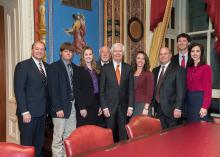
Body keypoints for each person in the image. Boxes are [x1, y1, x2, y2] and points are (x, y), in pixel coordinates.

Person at [14, 41, 48, 157]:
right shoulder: (23, 66)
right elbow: (19, 90)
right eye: (37, 49)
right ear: (32, 50)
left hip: (42, 113)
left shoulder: (46, 66)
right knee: (27, 146)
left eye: (42, 49)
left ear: (44, 52)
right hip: (28, 114)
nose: (39, 51)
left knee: (39, 144)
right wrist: (24, 111)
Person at [47, 42, 78, 157]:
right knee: (58, 137)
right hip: (60, 108)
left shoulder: (74, 67)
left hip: (72, 106)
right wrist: (58, 108)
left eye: (70, 51)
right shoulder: (54, 67)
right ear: (61, 53)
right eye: (66, 51)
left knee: (69, 137)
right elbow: (52, 89)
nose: (68, 53)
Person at [100, 43, 134, 142]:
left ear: (123, 53)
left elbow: (131, 89)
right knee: (110, 135)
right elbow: (102, 91)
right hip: (109, 108)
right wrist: (104, 107)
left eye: (120, 51)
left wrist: (130, 106)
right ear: (112, 53)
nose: (117, 53)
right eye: (115, 51)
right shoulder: (105, 68)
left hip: (124, 108)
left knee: (124, 135)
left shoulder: (128, 68)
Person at [151, 47, 185, 129]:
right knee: (160, 135)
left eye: (165, 54)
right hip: (158, 109)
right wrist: (152, 105)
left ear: (170, 56)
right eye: (161, 54)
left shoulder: (178, 69)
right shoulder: (155, 70)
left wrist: (178, 108)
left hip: (172, 110)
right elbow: (154, 89)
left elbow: (181, 90)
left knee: (173, 136)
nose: (162, 56)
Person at [186, 43, 212, 122]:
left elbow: (208, 90)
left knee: (200, 128)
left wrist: (205, 107)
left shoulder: (206, 68)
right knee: (190, 127)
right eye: (192, 51)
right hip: (189, 100)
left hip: (200, 100)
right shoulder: (189, 68)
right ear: (190, 53)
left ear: (201, 53)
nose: (195, 53)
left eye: (198, 51)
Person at [75, 46, 100, 126]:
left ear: (93, 56)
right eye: (86, 54)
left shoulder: (96, 70)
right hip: (84, 106)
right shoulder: (78, 70)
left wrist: (100, 105)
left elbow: (99, 90)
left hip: (95, 105)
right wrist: (82, 107)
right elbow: (77, 90)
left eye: (90, 54)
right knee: (84, 132)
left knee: (93, 130)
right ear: (83, 56)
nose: (88, 56)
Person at [132, 51, 154, 116]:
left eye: (143, 58)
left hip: (142, 106)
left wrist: (146, 108)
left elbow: (150, 92)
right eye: (138, 58)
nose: (140, 60)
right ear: (135, 60)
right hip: (132, 105)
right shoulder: (131, 72)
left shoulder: (149, 74)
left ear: (145, 61)